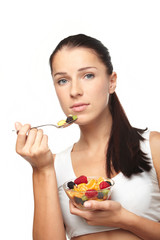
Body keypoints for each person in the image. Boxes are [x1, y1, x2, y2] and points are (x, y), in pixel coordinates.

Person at [15, 34, 160, 240]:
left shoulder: (153, 147)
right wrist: (41, 169)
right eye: (63, 80)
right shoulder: (53, 165)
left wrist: (124, 219)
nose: (74, 91)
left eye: (88, 75)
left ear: (112, 81)